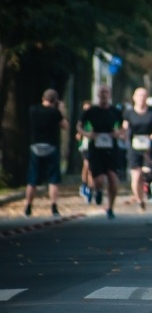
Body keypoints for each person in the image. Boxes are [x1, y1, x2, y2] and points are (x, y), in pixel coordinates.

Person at [77, 85, 125, 219]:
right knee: (98, 180)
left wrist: (118, 133)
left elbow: (123, 127)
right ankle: (98, 190)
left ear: (110, 95)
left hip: (111, 149)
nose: (104, 95)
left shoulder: (115, 111)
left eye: (106, 92)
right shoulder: (91, 111)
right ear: (98, 95)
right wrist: (87, 134)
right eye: (101, 92)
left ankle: (110, 208)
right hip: (96, 149)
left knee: (113, 180)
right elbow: (79, 126)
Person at [23, 89, 68, 217]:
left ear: (43, 98)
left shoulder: (33, 110)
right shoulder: (55, 113)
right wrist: (61, 110)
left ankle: (28, 206)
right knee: (53, 179)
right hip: (51, 148)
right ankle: (53, 206)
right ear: (55, 101)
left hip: (35, 147)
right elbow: (65, 125)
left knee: (32, 180)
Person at [122, 87, 152, 211]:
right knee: (136, 176)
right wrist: (122, 134)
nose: (141, 98)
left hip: (150, 146)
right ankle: (140, 199)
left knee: (147, 172)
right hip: (134, 146)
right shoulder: (129, 113)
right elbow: (124, 127)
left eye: (144, 95)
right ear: (134, 98)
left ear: (147, 97)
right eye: (139, 95)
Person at [76, 100, 94, 203]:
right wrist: (81, 135)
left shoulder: (95, 119)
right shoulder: (82, 120)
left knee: (91, 168)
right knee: (87, 165)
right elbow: (78, 134)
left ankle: (90, 189)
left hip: (93, 146)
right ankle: (84, 185)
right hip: (84, 146)